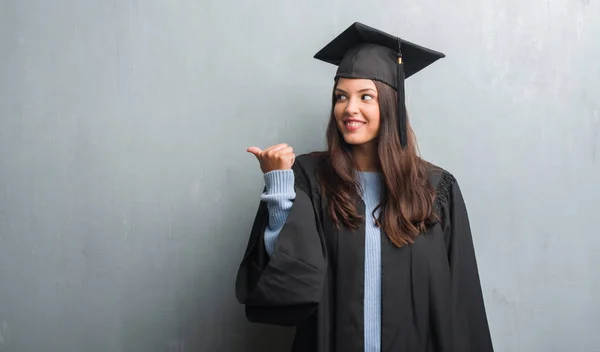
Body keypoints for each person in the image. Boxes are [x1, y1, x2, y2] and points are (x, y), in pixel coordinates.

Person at [235, 22, 494, 352]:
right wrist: (278, 187)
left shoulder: (435, 189)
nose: (349, 108)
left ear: (390, 104)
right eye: (340, 96)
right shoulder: (309, 178)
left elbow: (461, 302)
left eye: (365, 96)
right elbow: (291, 282)